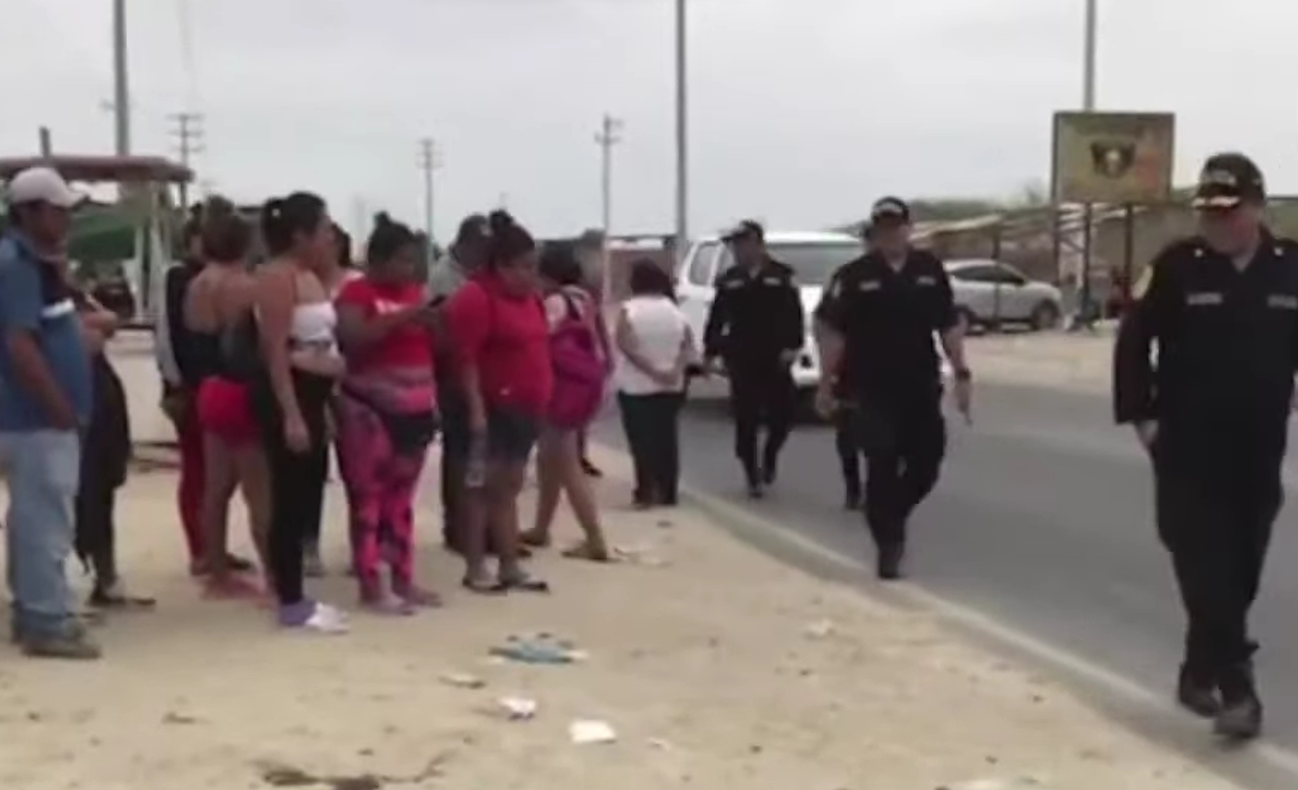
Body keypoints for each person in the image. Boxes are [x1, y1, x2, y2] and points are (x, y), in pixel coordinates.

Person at [1112, 153, 1297, 741]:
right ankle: (1239, 690)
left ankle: (1199, 668)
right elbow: (1133, 342)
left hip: (1259, 446)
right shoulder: (1177, 266)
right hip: (1186, 445)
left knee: (1240, 569)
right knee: (1204, 561)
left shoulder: (1289, 267)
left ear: (1256, 207)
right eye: (1208, 212)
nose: (1216, 222)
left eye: (1228, 211)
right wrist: (1142, 417)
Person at [813, 197, 971, 581]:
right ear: (876, 232)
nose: (891, 235)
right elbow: (831, 332)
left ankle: (891, 513)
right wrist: (825, 383)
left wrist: (962, 372)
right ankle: (889, 544)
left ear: (908, 229)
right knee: (881, 462)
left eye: (897, 227)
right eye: (883, 228)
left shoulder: (928, 270)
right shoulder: (853, 276)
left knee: (927, 463)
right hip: (869, 388)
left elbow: (948, 324)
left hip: (920, 383)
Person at [0, 167, 98, 658]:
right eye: (58, 211)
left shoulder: (36, 264)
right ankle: (45, 620)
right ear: (29, 212)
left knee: (33, 518)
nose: (66, 221)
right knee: (45, 520)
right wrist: (58, 406)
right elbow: (19, 344)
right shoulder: (15, 265)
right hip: (32, 417)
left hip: (31, 416)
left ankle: (35, 611)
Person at [249, 192, 347, 632]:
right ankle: (289, 598)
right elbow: (274, 350)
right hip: (289, 394)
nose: (330, 237)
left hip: (315, 394)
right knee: (288, 498)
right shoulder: (276, 277)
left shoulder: (311, 276)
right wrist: (290, 413)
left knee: (308, 492)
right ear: (299, 235)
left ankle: (297, 594)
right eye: (323, 229)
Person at [334, 213, 441, 613]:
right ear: (378, 260)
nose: (409, 269)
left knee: (401, 500)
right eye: (402, 260)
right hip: (370, 411)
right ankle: (370, 583)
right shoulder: (356, 294)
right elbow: (353, 337)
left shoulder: (416, 292)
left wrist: (436, 323)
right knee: (368, 498)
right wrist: (403, 316)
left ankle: (403, 578)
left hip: (416, 409)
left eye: (413, 261)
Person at [444, 210, 551, 593]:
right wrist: (476, 411)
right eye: (524, 267)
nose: (531, 275)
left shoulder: (532, 299)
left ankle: (509, 564)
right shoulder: (475, 297)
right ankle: (475, 567)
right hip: (489, 409)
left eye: (534, 267)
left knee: (507, 488)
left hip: (525, 409)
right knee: (478, 490)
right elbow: (465, 359)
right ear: (501, 266)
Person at [160, 208, 254, 576]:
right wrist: (175, 385)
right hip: (206, 386)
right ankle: (203, 550)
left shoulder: (199, 282)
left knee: (215, 479)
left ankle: (212, 553)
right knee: (210, 476)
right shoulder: (185, 278)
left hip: (207, 387)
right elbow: (169, 337)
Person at [185, 197, 272, 599]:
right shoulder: (246, 287)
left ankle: (217, 573)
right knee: (259, 492)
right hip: (242, 388)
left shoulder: (198, 284)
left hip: (210, 388)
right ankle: (275, 576)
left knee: (215, 489)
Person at [520, 241, 611, 560]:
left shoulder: (554, 303)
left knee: (567, 464)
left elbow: (537, 342)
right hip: (581, 386)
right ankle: (541, 527)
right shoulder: (583, 298)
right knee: (550, 459)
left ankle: (594, 538)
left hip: (559, 388)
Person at [702, 220, 804, 498]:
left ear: (757, 244)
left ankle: (770, 454)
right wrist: (710, 353)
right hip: (741, 356)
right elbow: (717, 318)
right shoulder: (730, 279)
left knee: (783, 415)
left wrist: (793, 346)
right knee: (745, 419)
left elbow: (794, 314)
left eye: (742, 244)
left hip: (775, 356)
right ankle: (752, 474)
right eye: (734, 246)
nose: (738, 251)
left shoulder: (782, 275)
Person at [72, 285, 154, 610]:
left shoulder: (70, 295)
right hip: (75, 404)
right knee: (81, 496)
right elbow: (96, 330)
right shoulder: (35, 292)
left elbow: (108, 322)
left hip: (99, 402)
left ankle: (106, 579)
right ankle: (75, 583)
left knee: (100, 494)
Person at [430, 214, 490, 554]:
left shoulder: (478, 274)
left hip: (480, 371)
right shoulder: (444, 277)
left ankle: (479, 527)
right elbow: (441, 327)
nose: (482, 253)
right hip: (453, 372)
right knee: (458, 452)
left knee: (479, 455)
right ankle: (456, 527)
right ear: (464, 243)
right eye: (478, 246)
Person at [614, 259, 692, 508]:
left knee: (641, 442)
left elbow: (625, 345)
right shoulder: (674, 310)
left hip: (636, 387)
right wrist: (674, 371)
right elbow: (688, 345)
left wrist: (651, 371)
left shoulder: (629, 309)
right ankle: (668, 491)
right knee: (666, 439)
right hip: (671, 386)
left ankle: (645, 491)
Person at [573, 229, 614, 478]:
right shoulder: (584, 275)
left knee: (582, 408)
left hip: (586, 346)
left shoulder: (594, 276)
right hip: (574, 346)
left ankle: (577, 454)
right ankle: (572, 456)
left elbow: (597, 315)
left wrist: (606, 348)